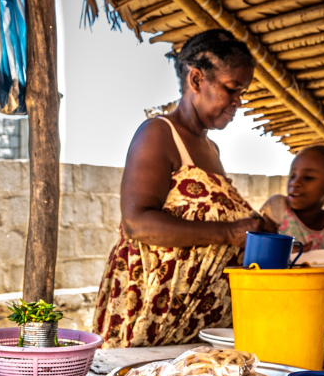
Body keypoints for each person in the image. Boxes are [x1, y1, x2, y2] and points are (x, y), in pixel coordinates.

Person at [92, 30, 275, 348]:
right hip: (151, 324)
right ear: (196, 80)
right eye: (232, 89)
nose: (238, 101)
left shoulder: (211, 150)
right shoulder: (158, 133)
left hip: (197, 330)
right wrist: (232, 233)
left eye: (242, 92)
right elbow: (138, 223)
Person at [260, 146, 324, 251]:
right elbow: (260, 246)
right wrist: (288, 250)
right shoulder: (278, 206)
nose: (294, 183)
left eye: (308, 177)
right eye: (292, 176)